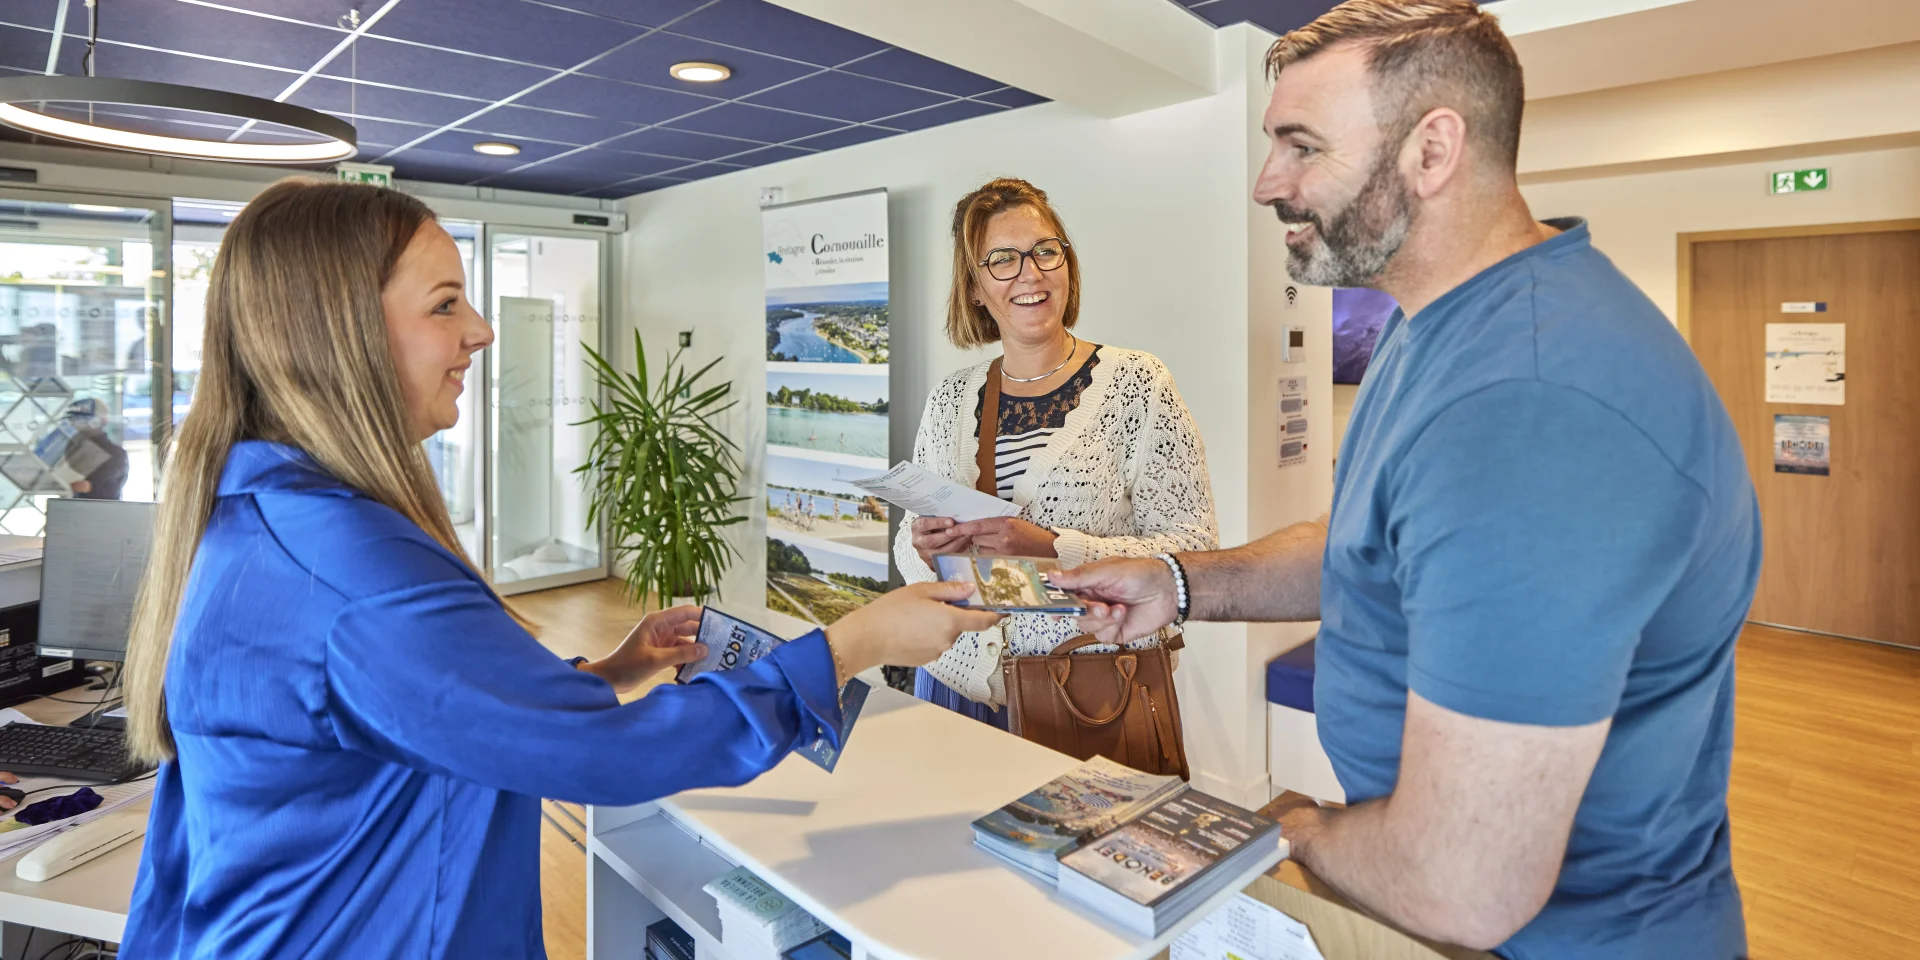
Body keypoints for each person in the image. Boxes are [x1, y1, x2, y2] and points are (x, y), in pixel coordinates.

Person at [118, 179, 1002, 958]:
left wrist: (611, 671)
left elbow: (417, 707)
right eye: (443, 305)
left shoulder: (261, 519)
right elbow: (610, 758)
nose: (482, 329)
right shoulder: (354, 573)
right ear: (339, 332)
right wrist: (850, 645)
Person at [1052, 3, 1759, 958]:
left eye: (1301, 146)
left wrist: (1294, 828)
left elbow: (1462, 884)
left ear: (1432, 152)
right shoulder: (1435, 322)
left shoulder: (1531, 407)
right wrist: (1181, 584)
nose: (1268, 184)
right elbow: (1370, 544)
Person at [897, 178, 1217, 726]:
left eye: (1045, 251)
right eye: (1003, 259)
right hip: (955, 681)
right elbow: (908, 548)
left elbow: (1195, 549)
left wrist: (1053, 547)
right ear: (974, 287)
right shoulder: (950, 397)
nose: (1031, 273)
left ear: (1067, 263)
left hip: (1084, 690)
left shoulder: (1138, 384)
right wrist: (924, 548)